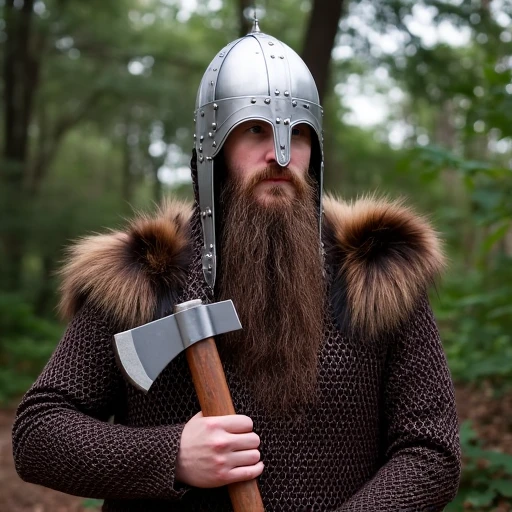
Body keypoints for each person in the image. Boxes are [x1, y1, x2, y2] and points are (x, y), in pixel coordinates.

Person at [12, 20, 461, 512]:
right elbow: (40, 433)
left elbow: (430, 451)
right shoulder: (144, 276)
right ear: (213, 150)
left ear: (317, 152)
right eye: (254, 130)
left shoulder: (375, 278)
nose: (280, 155)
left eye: (299, 135)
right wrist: (171, 454)